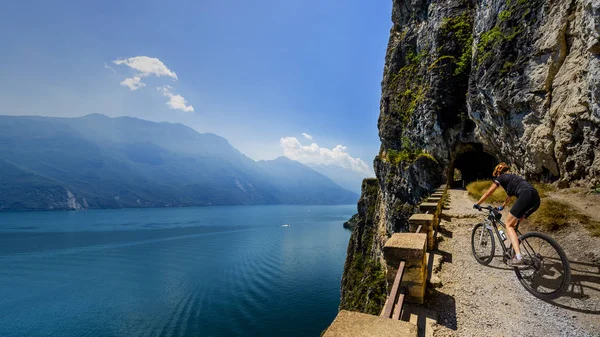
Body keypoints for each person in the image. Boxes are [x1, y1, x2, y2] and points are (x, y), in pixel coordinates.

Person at [473, 162, 541, 266]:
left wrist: (478, 204)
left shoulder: (501, 178)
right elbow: (509, 197)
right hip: (535, 199)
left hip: (525, 195)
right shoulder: (513, 178)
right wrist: (502, 206)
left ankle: (518, 257)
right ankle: (517, 251)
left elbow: (488, 193)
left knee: (508, 225)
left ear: (498, 173)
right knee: (514, 226)